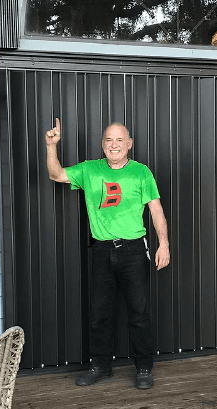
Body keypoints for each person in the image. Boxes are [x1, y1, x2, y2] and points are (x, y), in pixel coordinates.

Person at [45, 118, 170, 389]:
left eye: (119, 140)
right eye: (108, 140)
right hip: (101, 251)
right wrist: (52, 146)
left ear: (129, 144)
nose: (114, 145)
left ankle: (144, 368)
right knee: (100, 313)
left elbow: (156, 209)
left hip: (134, 251)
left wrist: (164, 244)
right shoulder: (90, 170)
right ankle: (100, 366)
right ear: (103, 145)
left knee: (139, 312)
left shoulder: (141, 172)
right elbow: (56, 174)